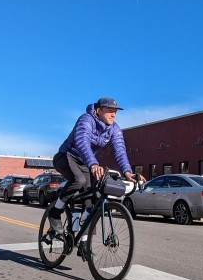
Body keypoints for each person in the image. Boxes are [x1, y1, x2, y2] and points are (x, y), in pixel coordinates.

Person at [46, 97, 144, 252]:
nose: (114, 115)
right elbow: (82, 141)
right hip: (66, 157)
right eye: (110, 111)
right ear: (98, 110)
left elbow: (120, 151)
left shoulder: (114, 129)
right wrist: (93, 164)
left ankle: (83, 242)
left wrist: (128, 172)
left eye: (115, 112)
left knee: (90, 200)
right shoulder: (86, 120)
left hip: (86, 163)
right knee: (78, 179)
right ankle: (55, 211)